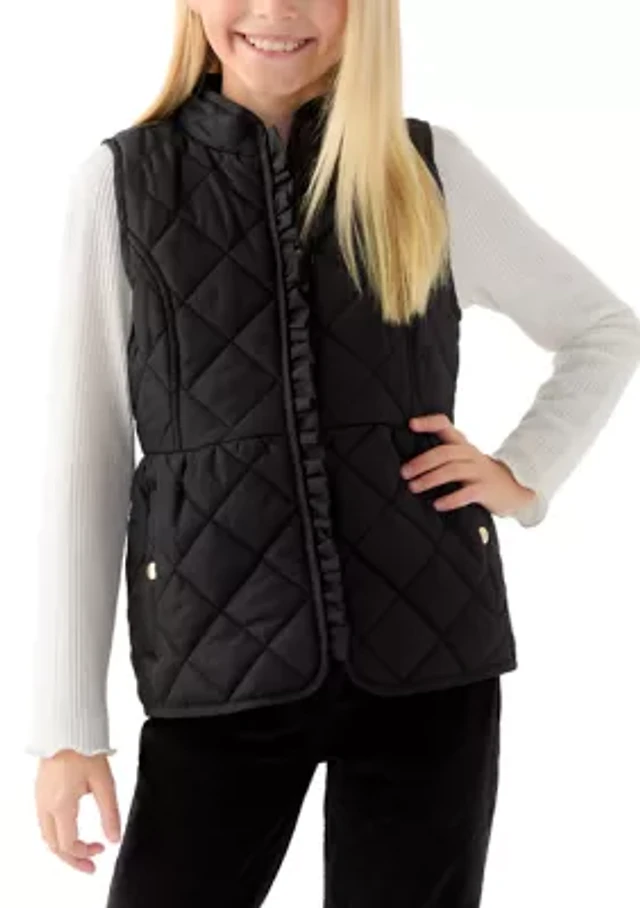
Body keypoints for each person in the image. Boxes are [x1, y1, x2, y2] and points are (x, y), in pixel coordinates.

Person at [28, 1, 640, 906]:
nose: (276, 10)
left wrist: (524, 472)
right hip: (216, 666)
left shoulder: (424, 167)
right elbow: (84, 462)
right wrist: (67, 729)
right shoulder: (123, 184)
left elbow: (603, 330)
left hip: (429, 661)